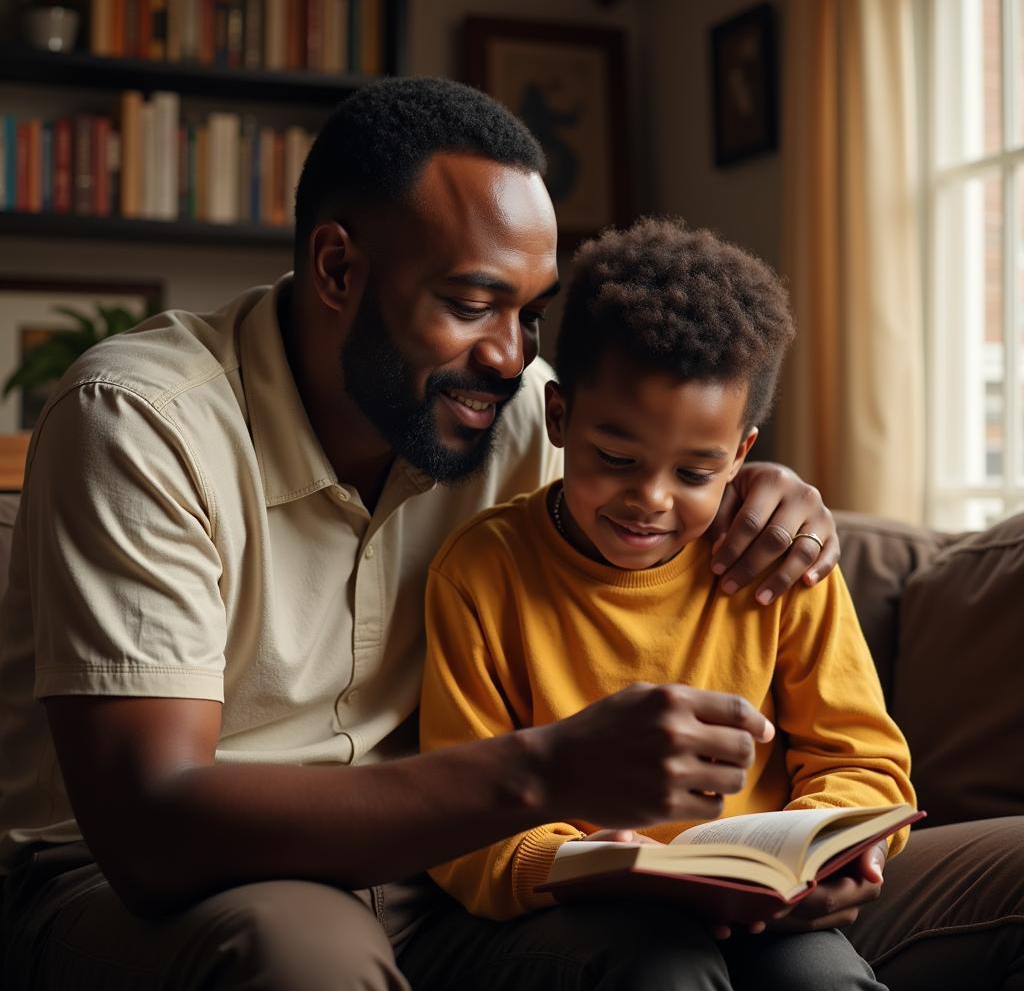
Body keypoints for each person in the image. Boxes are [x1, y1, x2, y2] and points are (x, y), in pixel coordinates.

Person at [0, 77, 1017, 990]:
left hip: (447, 871)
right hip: (167, 882)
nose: (509, 355)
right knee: (298, 951)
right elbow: (152, 828)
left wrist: (773, 489)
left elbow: (657, 457)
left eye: (529, 313)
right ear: (336, 266)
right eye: (471, 302)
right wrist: (547, 770)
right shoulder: (142, 421)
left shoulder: (518, 400)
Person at [418, 218, 913, 990]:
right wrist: (586, 862)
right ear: (559, 418)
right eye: (616, 459)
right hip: (584, 912)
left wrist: (842, 846)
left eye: (694, 473)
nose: (648, 499)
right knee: (664, 971)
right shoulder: (482, 574)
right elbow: (460, 821)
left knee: (824, 983)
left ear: (742, 455)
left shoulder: (779, 565)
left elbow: (865, 762)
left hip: (765, 907)